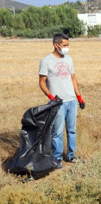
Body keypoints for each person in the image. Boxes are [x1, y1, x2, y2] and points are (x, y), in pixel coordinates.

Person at [38, 33, 85, 169]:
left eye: (68, 45)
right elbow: (41, 82)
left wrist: (79, 97)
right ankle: (57, 158)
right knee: (57, 132)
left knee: (72, 130)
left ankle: (72, 155)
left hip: (71, 101)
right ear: (56, 45)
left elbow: (73, 79)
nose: (66, 48)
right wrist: (51, 98)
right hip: (58, 103)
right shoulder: (46, 61)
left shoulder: (69, 59)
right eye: (64, 45)